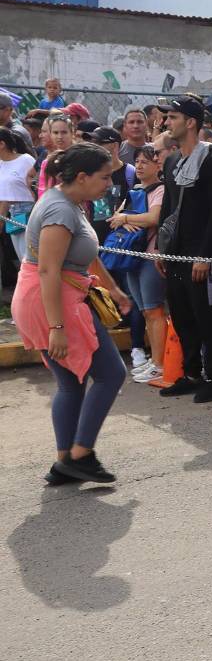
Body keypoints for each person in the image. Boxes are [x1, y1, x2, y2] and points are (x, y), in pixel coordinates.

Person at [12, 143, 132, 484]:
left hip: (53, 297)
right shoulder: (60, 210)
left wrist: (112, 288)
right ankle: (81, 454)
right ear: (81, 177)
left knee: (72, 383)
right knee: (111, 374)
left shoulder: (70, 203)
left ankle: (64, 460)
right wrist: (57, 327)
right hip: (53, 301)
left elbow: (82, 255)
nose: (109, 183)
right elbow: (49, 271)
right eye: (104, 177)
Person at [156, 97, 212, 403]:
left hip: (201, 256)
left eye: (172, 117)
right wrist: (161, 249)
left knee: (207, 317)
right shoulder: (172, 161)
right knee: (182, 315)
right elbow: (168, 208)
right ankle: (191, 372)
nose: (166, 122)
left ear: (191, 123)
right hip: (175, 254)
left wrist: (205, 255)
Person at [113, 145, 166, 384]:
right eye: (138, 161)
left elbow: (153, 218)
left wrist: (126, 218)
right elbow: (114, 219)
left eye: (146, 161)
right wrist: (127, 221)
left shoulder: (161, 190)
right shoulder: (133, 190)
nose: (141, 165)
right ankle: (155, 362)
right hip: (131, 257)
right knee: (145, 311)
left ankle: (160, 364)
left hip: (150, 257)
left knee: (155, 311)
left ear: (158, 165)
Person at [0, 127, 36, 262]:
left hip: (29, 211)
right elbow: (4, 197)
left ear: (2, 144)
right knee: (23, 259)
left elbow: (36, 187)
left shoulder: (26, 160)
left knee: (31, 258)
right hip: (12, 214)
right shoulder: (1, 164)